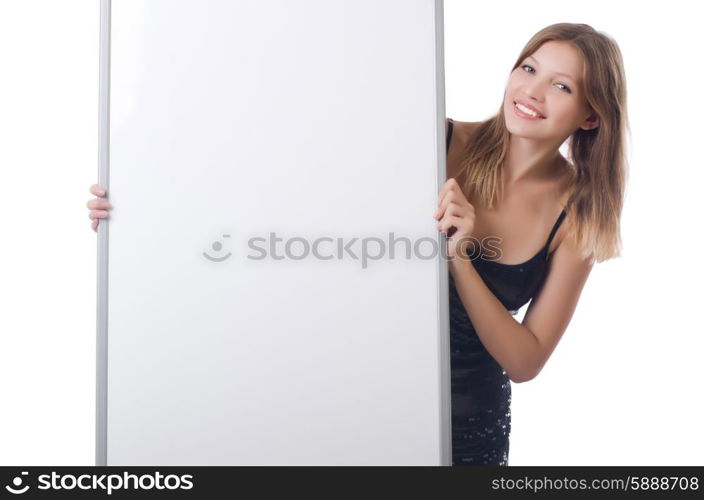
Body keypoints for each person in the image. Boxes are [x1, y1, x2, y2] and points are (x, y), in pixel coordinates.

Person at [87, 22, 628, 466]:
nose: (531, 91)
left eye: (561, 85)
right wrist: (143, 210)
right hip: (355, 391)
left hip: (468, 428)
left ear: (591, 114)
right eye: (528, 68)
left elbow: (525, 360)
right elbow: (281, 181)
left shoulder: (579, 213)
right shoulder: (431, 139)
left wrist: (459, 257)